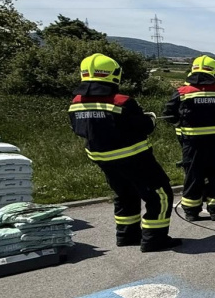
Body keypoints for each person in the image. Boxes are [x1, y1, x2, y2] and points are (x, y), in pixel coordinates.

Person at [69, 53, 180, 252]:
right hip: (133, 157)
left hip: (102, 159)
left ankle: (127, 235)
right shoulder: (121, 101)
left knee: (125, 194)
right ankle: (154, 239)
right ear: (113, 74)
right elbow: (144, 127)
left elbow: (78, 129)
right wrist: (150, 118)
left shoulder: (76, 101)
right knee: (160, 195)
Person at [161, 55, 215, 222]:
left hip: (192, 144)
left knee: (193, 176)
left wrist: (180, 124)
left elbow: (168, 115)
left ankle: (191, 212)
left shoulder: (182, 92)